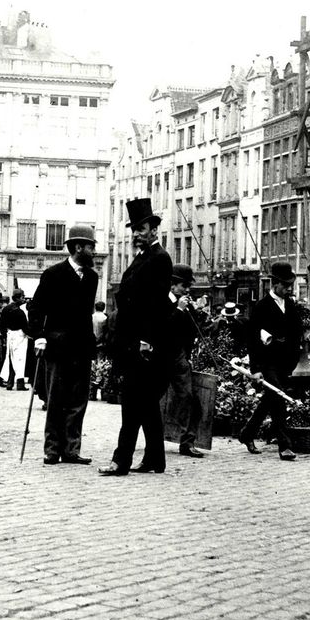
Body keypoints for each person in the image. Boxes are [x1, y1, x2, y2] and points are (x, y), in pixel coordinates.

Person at [100, 199, 174, 476]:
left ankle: (121, 461)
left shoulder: (160, 259)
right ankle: (156, 459)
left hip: (143, 344)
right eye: (133, 230)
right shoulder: (144, 257)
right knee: (146, 405)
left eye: (141, 229)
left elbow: (154, 306)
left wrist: (145, 340)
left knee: (132, 404)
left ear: (154, 230)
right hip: (135, 340)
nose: (136, 234)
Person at [30, 225, 100, 465]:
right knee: (56, 399)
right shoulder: (53, 274)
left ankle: (71, 449)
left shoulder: (92, 277)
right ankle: (52, 449)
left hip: (82, 348)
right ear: (78, 247)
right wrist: (39, 335)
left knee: (78, 401)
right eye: (91, 247)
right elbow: (36, 308)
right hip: (58, 347)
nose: (94, 252)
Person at [238, 262, 304, 461]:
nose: (289, 288)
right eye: (285, 285)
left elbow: (296, 332)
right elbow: (252, 340)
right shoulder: (261, 307)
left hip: (286, 362)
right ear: (274, 284)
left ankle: (247, 434)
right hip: (267, 362)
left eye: (290, 284)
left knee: (270, 399)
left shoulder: (290, 305)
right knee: (279, 400)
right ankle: (285, 446)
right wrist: (255, 369)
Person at [164, 263, 208, 459]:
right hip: (162, 358)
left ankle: (187, 442)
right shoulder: (161, 302)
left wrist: (195, 312)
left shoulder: (186, 304)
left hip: (180, 358)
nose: (187, 290)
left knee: (190, 400)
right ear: (173, 285)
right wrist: (179, 310)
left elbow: (194, 331)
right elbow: (162, 329)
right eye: (184, 286)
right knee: (150, 401)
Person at [0, 289, 31, 391]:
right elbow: (25, 327)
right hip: (20, 335)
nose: (23, 299)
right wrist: (33, 335)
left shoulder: (5, 309)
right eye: (22, 297)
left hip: (9, 335)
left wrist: (4, 336)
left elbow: (2, 325)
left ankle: (10, 382)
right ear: (18, 297)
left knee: (9, 358)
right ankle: (20, 384)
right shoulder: (20, 312)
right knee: (20, 359)